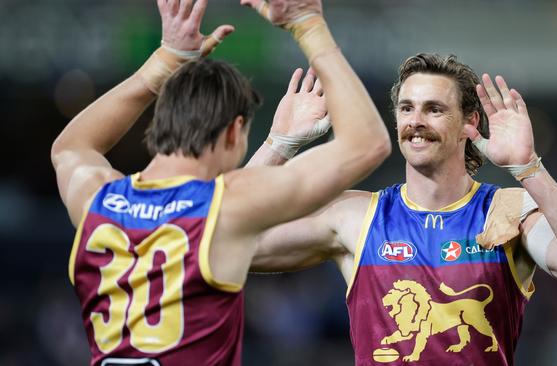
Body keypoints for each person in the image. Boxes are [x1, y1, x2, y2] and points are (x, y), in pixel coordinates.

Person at [50, 0, 391, 365]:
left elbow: (70, 146)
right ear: (233, 133)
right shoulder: (223, 208)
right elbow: (367, 144)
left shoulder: (97, 197)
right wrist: (308, 25)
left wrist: (162, 63)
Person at [248, 52, 557, 365]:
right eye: (407, 108)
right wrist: (278, 144)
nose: (416, 121)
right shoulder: (355, 216)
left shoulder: (507, 211)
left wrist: (529, 169)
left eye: (434, 109)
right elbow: (221, 244)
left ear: (470, 122)